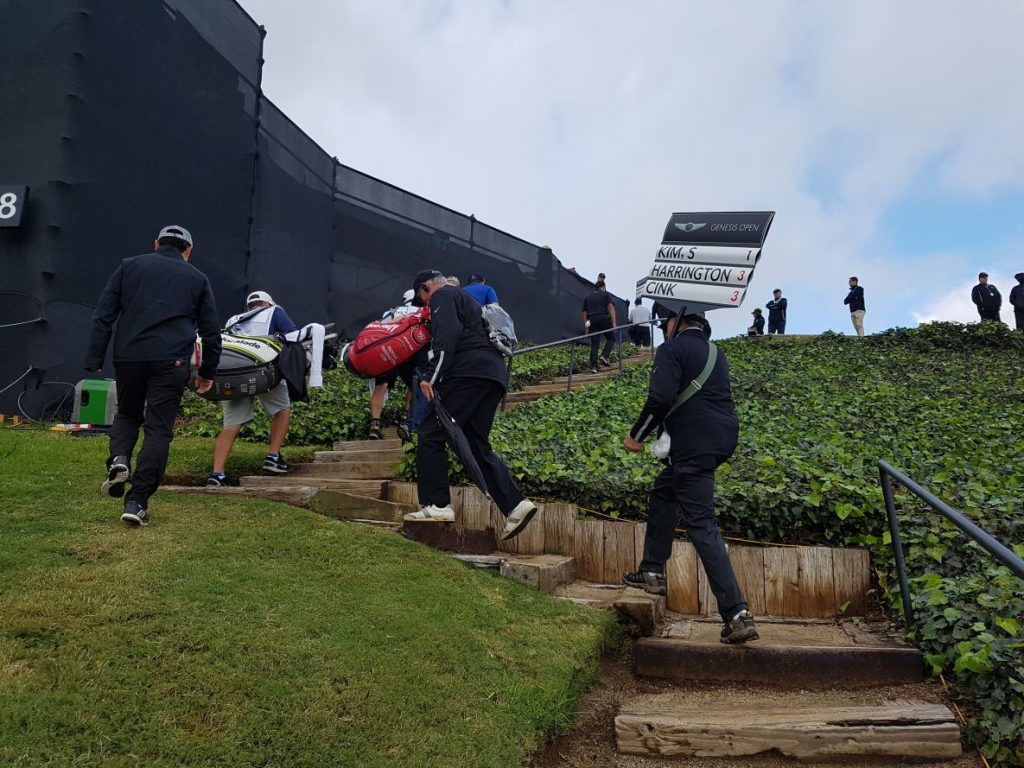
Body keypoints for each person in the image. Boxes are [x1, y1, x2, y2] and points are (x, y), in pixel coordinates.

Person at [621, 313, 758, 644]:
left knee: (701, 525)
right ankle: (652, 571)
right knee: (665, 492)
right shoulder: (715, 352)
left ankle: (737, 614)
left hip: (693, 446)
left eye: (664, 321)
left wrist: (637, 435)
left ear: (676, 320)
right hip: (716, 441)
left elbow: (661, 398)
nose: (663, 328)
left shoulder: (672, 350)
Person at [84, 225, 220, 526]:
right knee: (158, 429)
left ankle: (119, 459)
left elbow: (104, 314)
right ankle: (137, 501)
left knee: (128, 414)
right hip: (171, 360)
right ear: (188, 251)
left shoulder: (129, 266)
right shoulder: (197, 278)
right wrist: (207, 372)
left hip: (129, 355)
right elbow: (211, 331)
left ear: (157, 244)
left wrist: (95, 358)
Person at [407, 269, 537, 538]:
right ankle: (515, 504)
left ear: (425, 288)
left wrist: (431, 376)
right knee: (475, 442)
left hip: (468, 372)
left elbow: (448, 337)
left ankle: (436, 504)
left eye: (424, 302)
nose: (427, 308)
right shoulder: (469, 303)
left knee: (430, 431)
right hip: (493, 374)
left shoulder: (443, 295)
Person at [207, 290, 298, 486]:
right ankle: (273, 457)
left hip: (232, 375)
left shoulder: (234, 319)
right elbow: (294, 337)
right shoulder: (275, 311)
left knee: (230, 425)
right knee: (282, 409)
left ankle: (217, 474)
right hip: (265, 371)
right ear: (267, 303)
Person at [368, 289, 420, 441]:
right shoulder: (420, 311)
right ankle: (406, 418)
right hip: (409, 354)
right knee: (414, 384)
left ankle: (375, 425)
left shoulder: (392, 311)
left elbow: (379, 329)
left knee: (381, 385)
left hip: (387, 352)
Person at [582, 280, 617, 372]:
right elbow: (611, 307)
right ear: (604, 287)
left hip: (592, 320)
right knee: (611, 338)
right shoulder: (605, 295)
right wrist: (613, 322)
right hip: (603, 318)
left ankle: (594, 366)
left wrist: (586, 328)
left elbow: (585, 313)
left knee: (595, 344)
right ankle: (605, 355)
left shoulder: (588, 297)